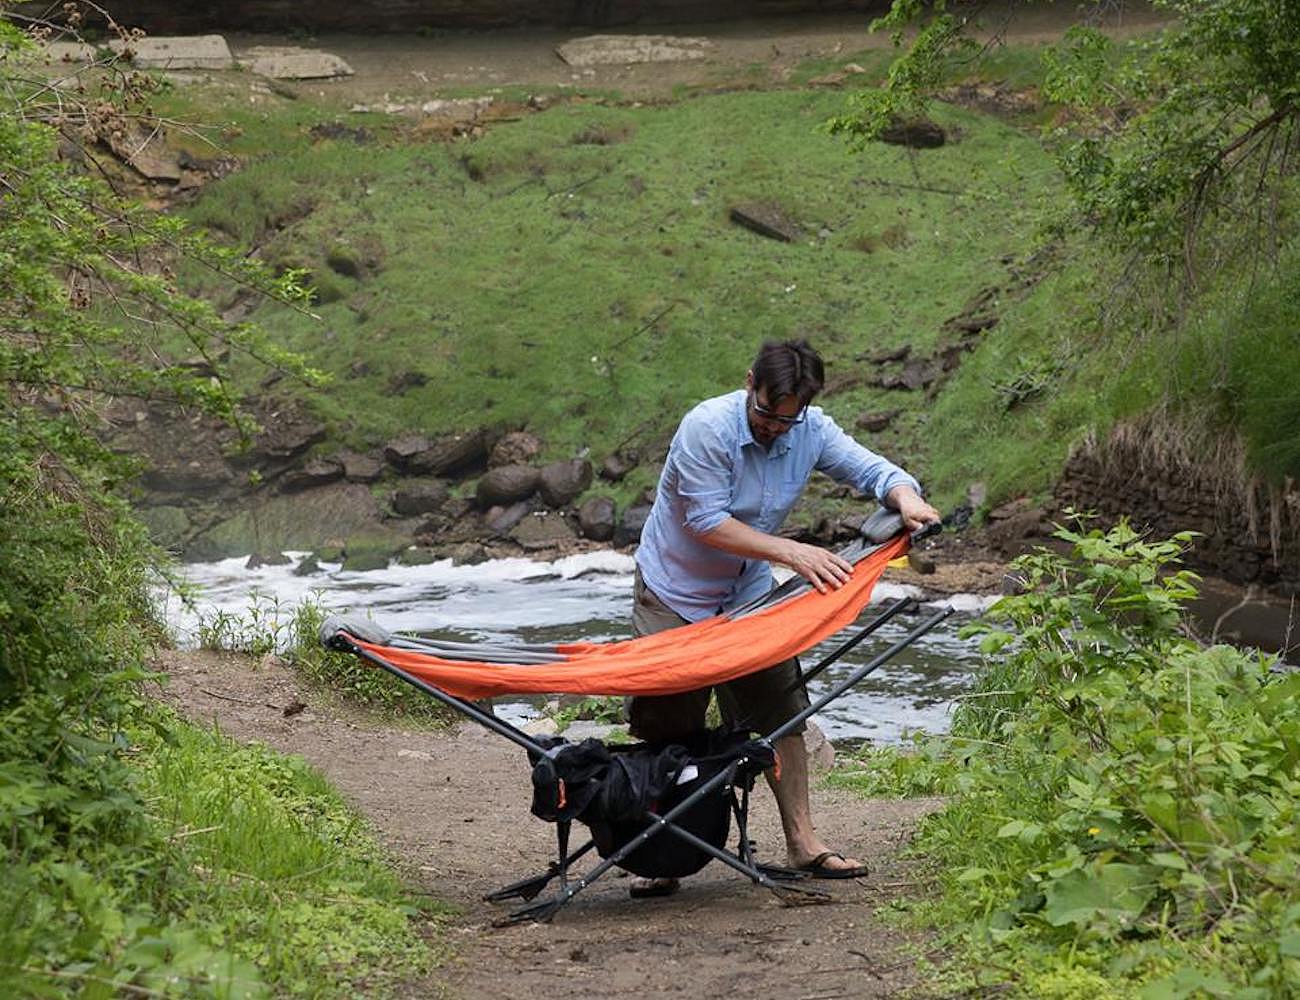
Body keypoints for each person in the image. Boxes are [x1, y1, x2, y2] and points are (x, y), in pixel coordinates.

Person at [627, 338, 940, 898]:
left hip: (748, 595)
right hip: (674, 591)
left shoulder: (810, 429)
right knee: (666, 720)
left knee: (781, 709)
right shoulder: (707, 427)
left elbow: (875, 471)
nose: (774, 427)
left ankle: (801, 841)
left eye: (787, 419)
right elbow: (705, 521)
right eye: (766, 412)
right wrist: (794, 552)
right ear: (750, 383)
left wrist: (905, 499)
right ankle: (665, 851)